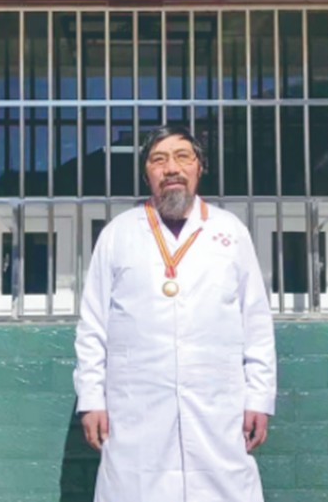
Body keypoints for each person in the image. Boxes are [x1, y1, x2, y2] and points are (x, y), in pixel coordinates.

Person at [73, 125, 277, 502]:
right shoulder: (119, 234)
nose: (171, 168)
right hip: (136, 405)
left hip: (217, 404)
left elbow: (257, 323)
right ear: (146, 173)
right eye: (158, 159)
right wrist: (91, 399)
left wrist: (259, 399)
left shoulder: (230, 232)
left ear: (199, 167)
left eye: (183, 157)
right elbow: (93, 326)